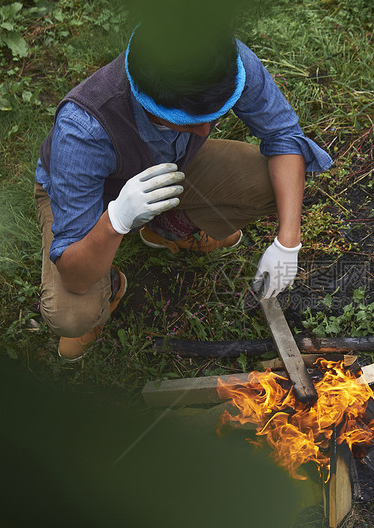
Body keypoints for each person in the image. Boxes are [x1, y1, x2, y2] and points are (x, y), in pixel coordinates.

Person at [34, 24, 332, 360]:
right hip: (98, 198)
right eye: (190, 122)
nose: (204, 130)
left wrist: (288, 242)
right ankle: (111, 284)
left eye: (213, 116)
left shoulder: (221, 62)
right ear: (150, 103)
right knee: (71, 313)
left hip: (175, 165)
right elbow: (73, 276)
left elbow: (284, 137)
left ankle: (166, 227)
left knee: (270, 184)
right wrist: (116, 219)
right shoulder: (82, 131)